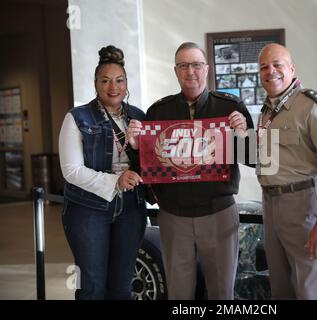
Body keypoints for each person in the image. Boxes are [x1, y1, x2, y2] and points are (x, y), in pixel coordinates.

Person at [127, 42, 253, 299]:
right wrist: (134, 146)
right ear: (176, 71)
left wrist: (242, 136)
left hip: (219, 213)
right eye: (183, 66)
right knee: (179, 294)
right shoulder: (159, 111)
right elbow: (146, 169)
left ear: (206, 69)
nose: (190, 71)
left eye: (196, 64)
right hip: (174, 216)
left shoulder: (230, 107)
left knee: (222, 294)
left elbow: (255, 159)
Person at [256, 43, 317, 300]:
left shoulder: (314, 106)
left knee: (310, 291)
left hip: (303, 205)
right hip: (271, 204)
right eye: (264, 67)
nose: (270, 71)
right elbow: (264, 159)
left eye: (277, 65)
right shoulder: (267, 110)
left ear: (292, 69)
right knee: (281, 290)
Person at [59, 45, 147, 300]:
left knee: (122, 286)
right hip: (88, 210)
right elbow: (71, 170)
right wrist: (115, 180)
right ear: (95, 84)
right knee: (92, 287)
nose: (113, 87)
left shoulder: (139, 117)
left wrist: (137, 148)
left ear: (127, 82)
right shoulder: (78, 118)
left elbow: (153, 162)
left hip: (131, 208)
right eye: (105, 80)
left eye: (119, 80)